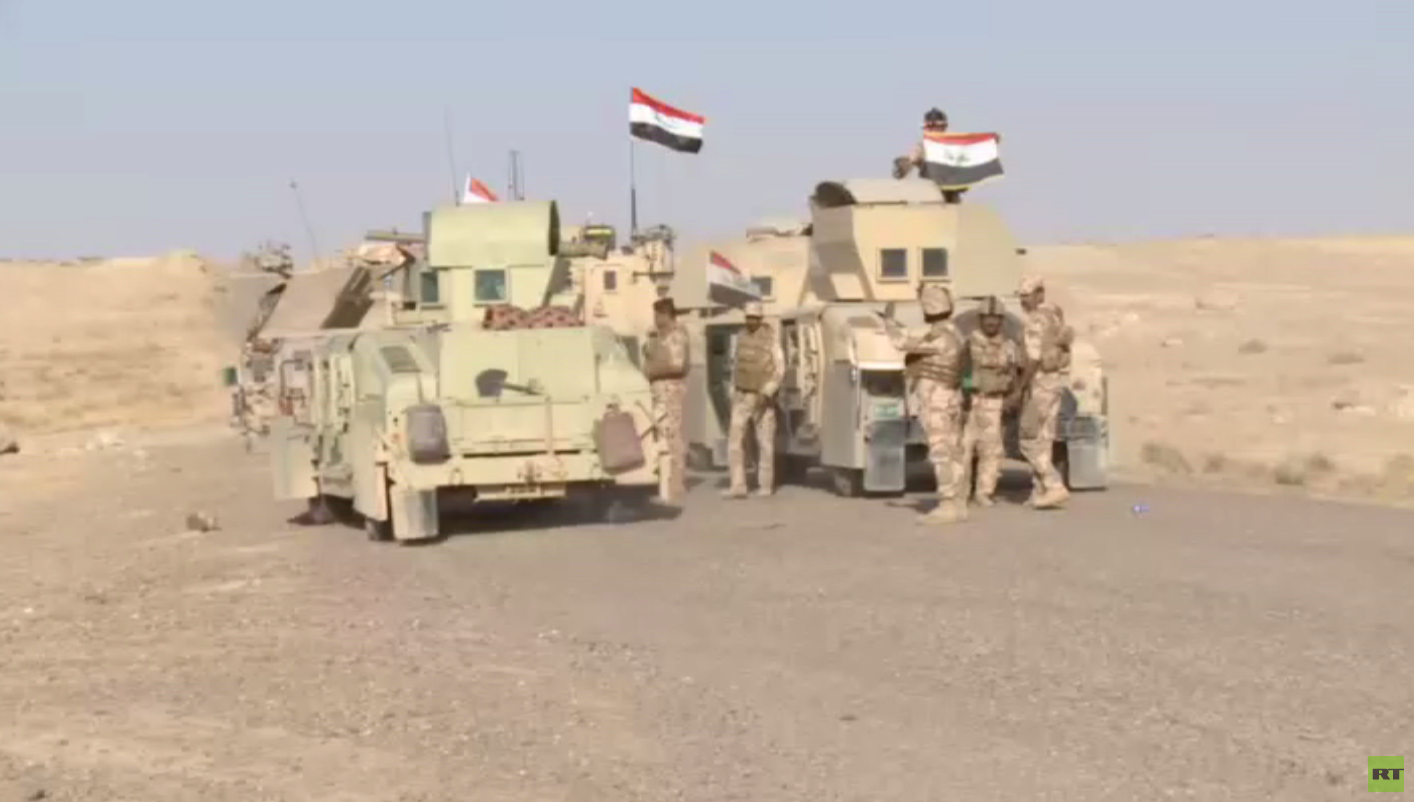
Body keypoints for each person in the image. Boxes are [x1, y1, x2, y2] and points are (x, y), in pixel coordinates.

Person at [882, 284, 968, 524]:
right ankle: (958, 502)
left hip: (938, 401)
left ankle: (948, 504)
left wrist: (888, 323)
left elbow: (901, 342)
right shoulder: (954, 332)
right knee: (954, 451)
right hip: (951, 399)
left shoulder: (940, 336)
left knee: (941, 451)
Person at [1010, 275, 1073, 509]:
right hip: (1055, 382)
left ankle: (1053, 484)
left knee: (1027, 439)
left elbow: (1034, 359)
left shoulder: (1036, 320)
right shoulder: (1055, 315)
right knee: (1044, 439)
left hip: (1039, 384)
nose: (1024, 301)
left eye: (1028, 296)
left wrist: (1019, 388)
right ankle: (1039, 491)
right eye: (1022, 297)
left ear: (1040, 294)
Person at [962, 296, 1022, 507]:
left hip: (995, 403)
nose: (991, 322)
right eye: (987, 317)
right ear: (980, 319)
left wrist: (1014, 396)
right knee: (963, 451)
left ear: (1001, 320)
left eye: (995, 318)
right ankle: (960, 492)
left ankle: (984, 492)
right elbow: (961, 371)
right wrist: (962, 400)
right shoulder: (968, 342)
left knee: (991, 451)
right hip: (971, 402)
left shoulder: (1009, 346)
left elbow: (1014, 372)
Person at [723, 301, 785, 499]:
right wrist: (732, 390)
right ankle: (737, 485)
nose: (751, 321)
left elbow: (779, 369)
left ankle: (765, 486)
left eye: (754, 318)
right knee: (735, 442)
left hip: (762, 398)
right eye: (748, 318)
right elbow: (734, 366)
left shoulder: (771, 340)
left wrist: (767, 393)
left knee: (765, 443)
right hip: (742, 395)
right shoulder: (739, 338)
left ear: (760, 319)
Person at [641, 297, 690, 504]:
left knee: (672, 435)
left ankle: (676, 482)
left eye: (657, 315)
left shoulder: (677, 335)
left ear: (666, 315)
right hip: (657, 390)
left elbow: (677, 366)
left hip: (671, 389)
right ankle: (664, 479)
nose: (655, 319)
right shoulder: (657, 335)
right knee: (661, 434)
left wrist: (652, 371)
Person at [892, 107, 966, 203]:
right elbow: (913, 159)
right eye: (929, 127)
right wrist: (908, 163)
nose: (932, 129)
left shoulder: (953, 145)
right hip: (931, 193)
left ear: (943, 127)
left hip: (951, 194)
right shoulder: (923, 146)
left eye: (935, 126)